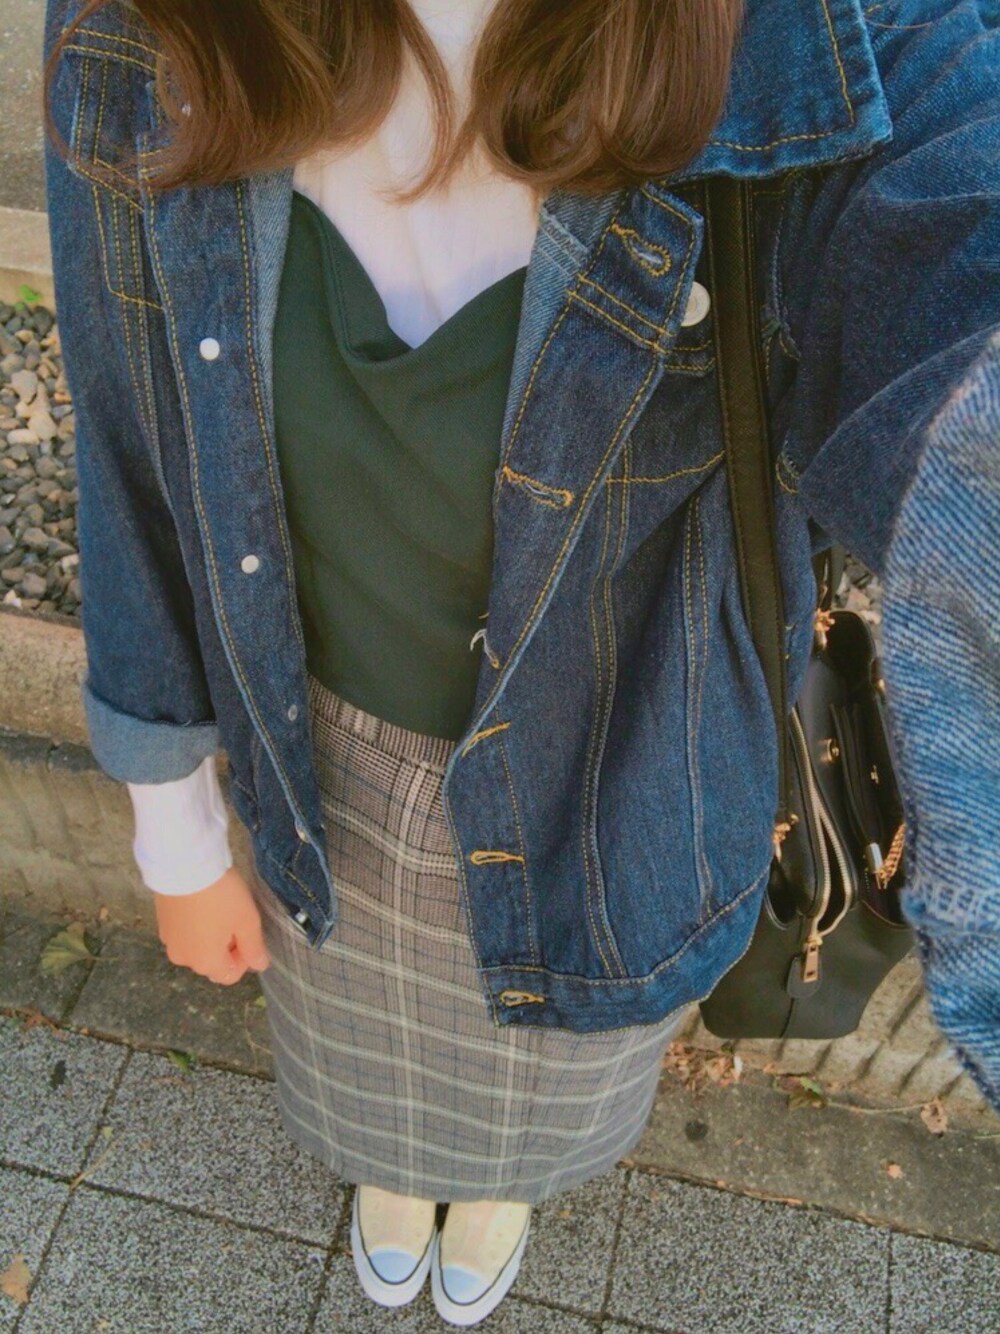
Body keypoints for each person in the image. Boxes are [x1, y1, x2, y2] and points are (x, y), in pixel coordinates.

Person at [41, 0, 1000, 1325]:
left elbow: (955, 256)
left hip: (616, 806)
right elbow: (129, 424)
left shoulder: (831, 43)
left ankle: (501, 1195)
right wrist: (176, 831)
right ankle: (393, 1176)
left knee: (539, 1107)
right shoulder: (151, 27)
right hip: (315, 784)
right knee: (367, 1089)